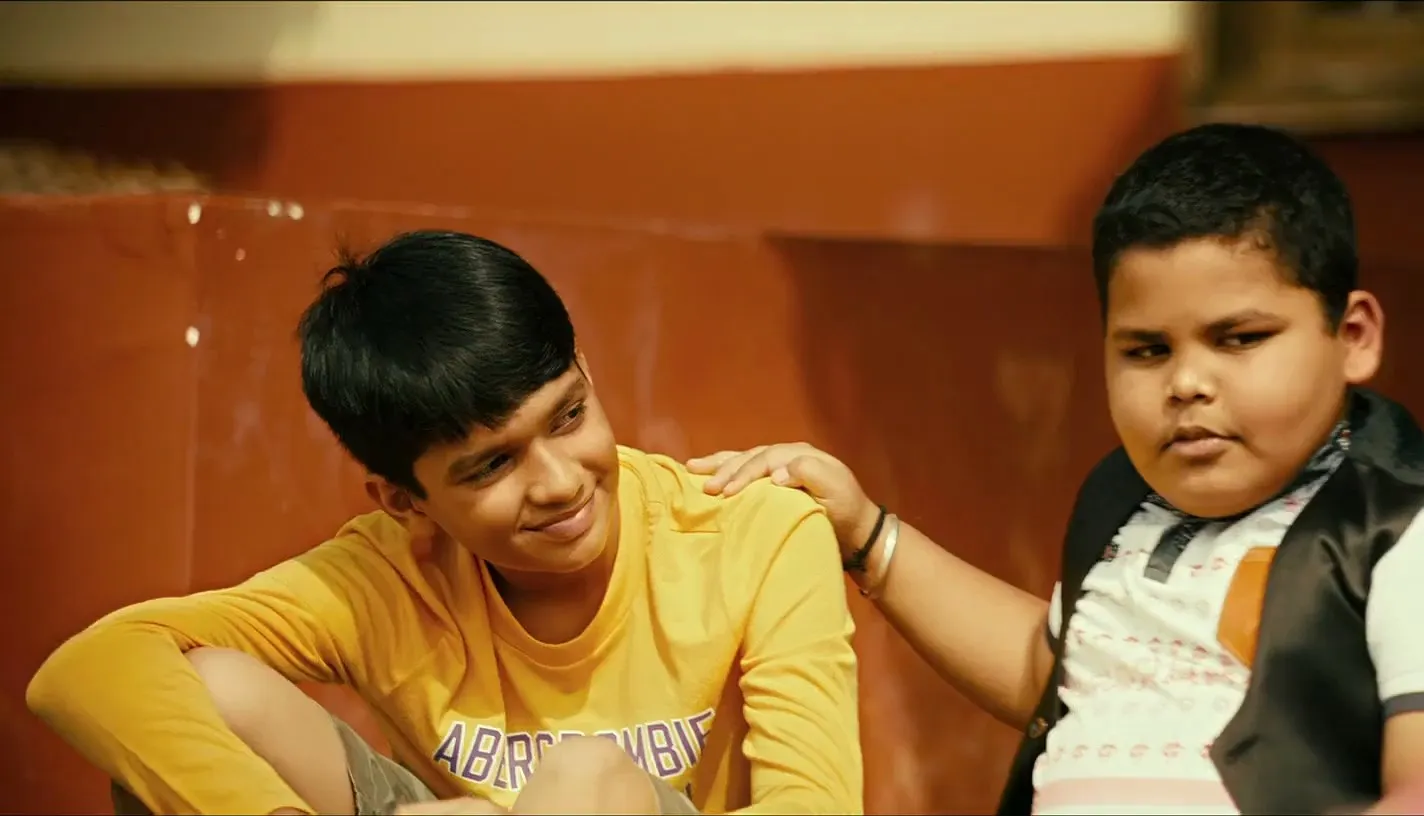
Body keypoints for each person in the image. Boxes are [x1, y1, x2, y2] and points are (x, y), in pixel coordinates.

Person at [688, 122, 1424, 815]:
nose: (1187, 383)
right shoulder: (1126, 501)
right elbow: (1054, 674)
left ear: (1353, 337)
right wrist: (866, 533)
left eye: (1239, 339)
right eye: (1147, 350)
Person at [25, 231, 864, 815]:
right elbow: (90, 669)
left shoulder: (752, 531)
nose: (560, 483)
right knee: (205, 695)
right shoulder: (385, 575)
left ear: (586, 373)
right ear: (405, 500)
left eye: (569, 416)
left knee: (584, 780)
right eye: (493, 465)